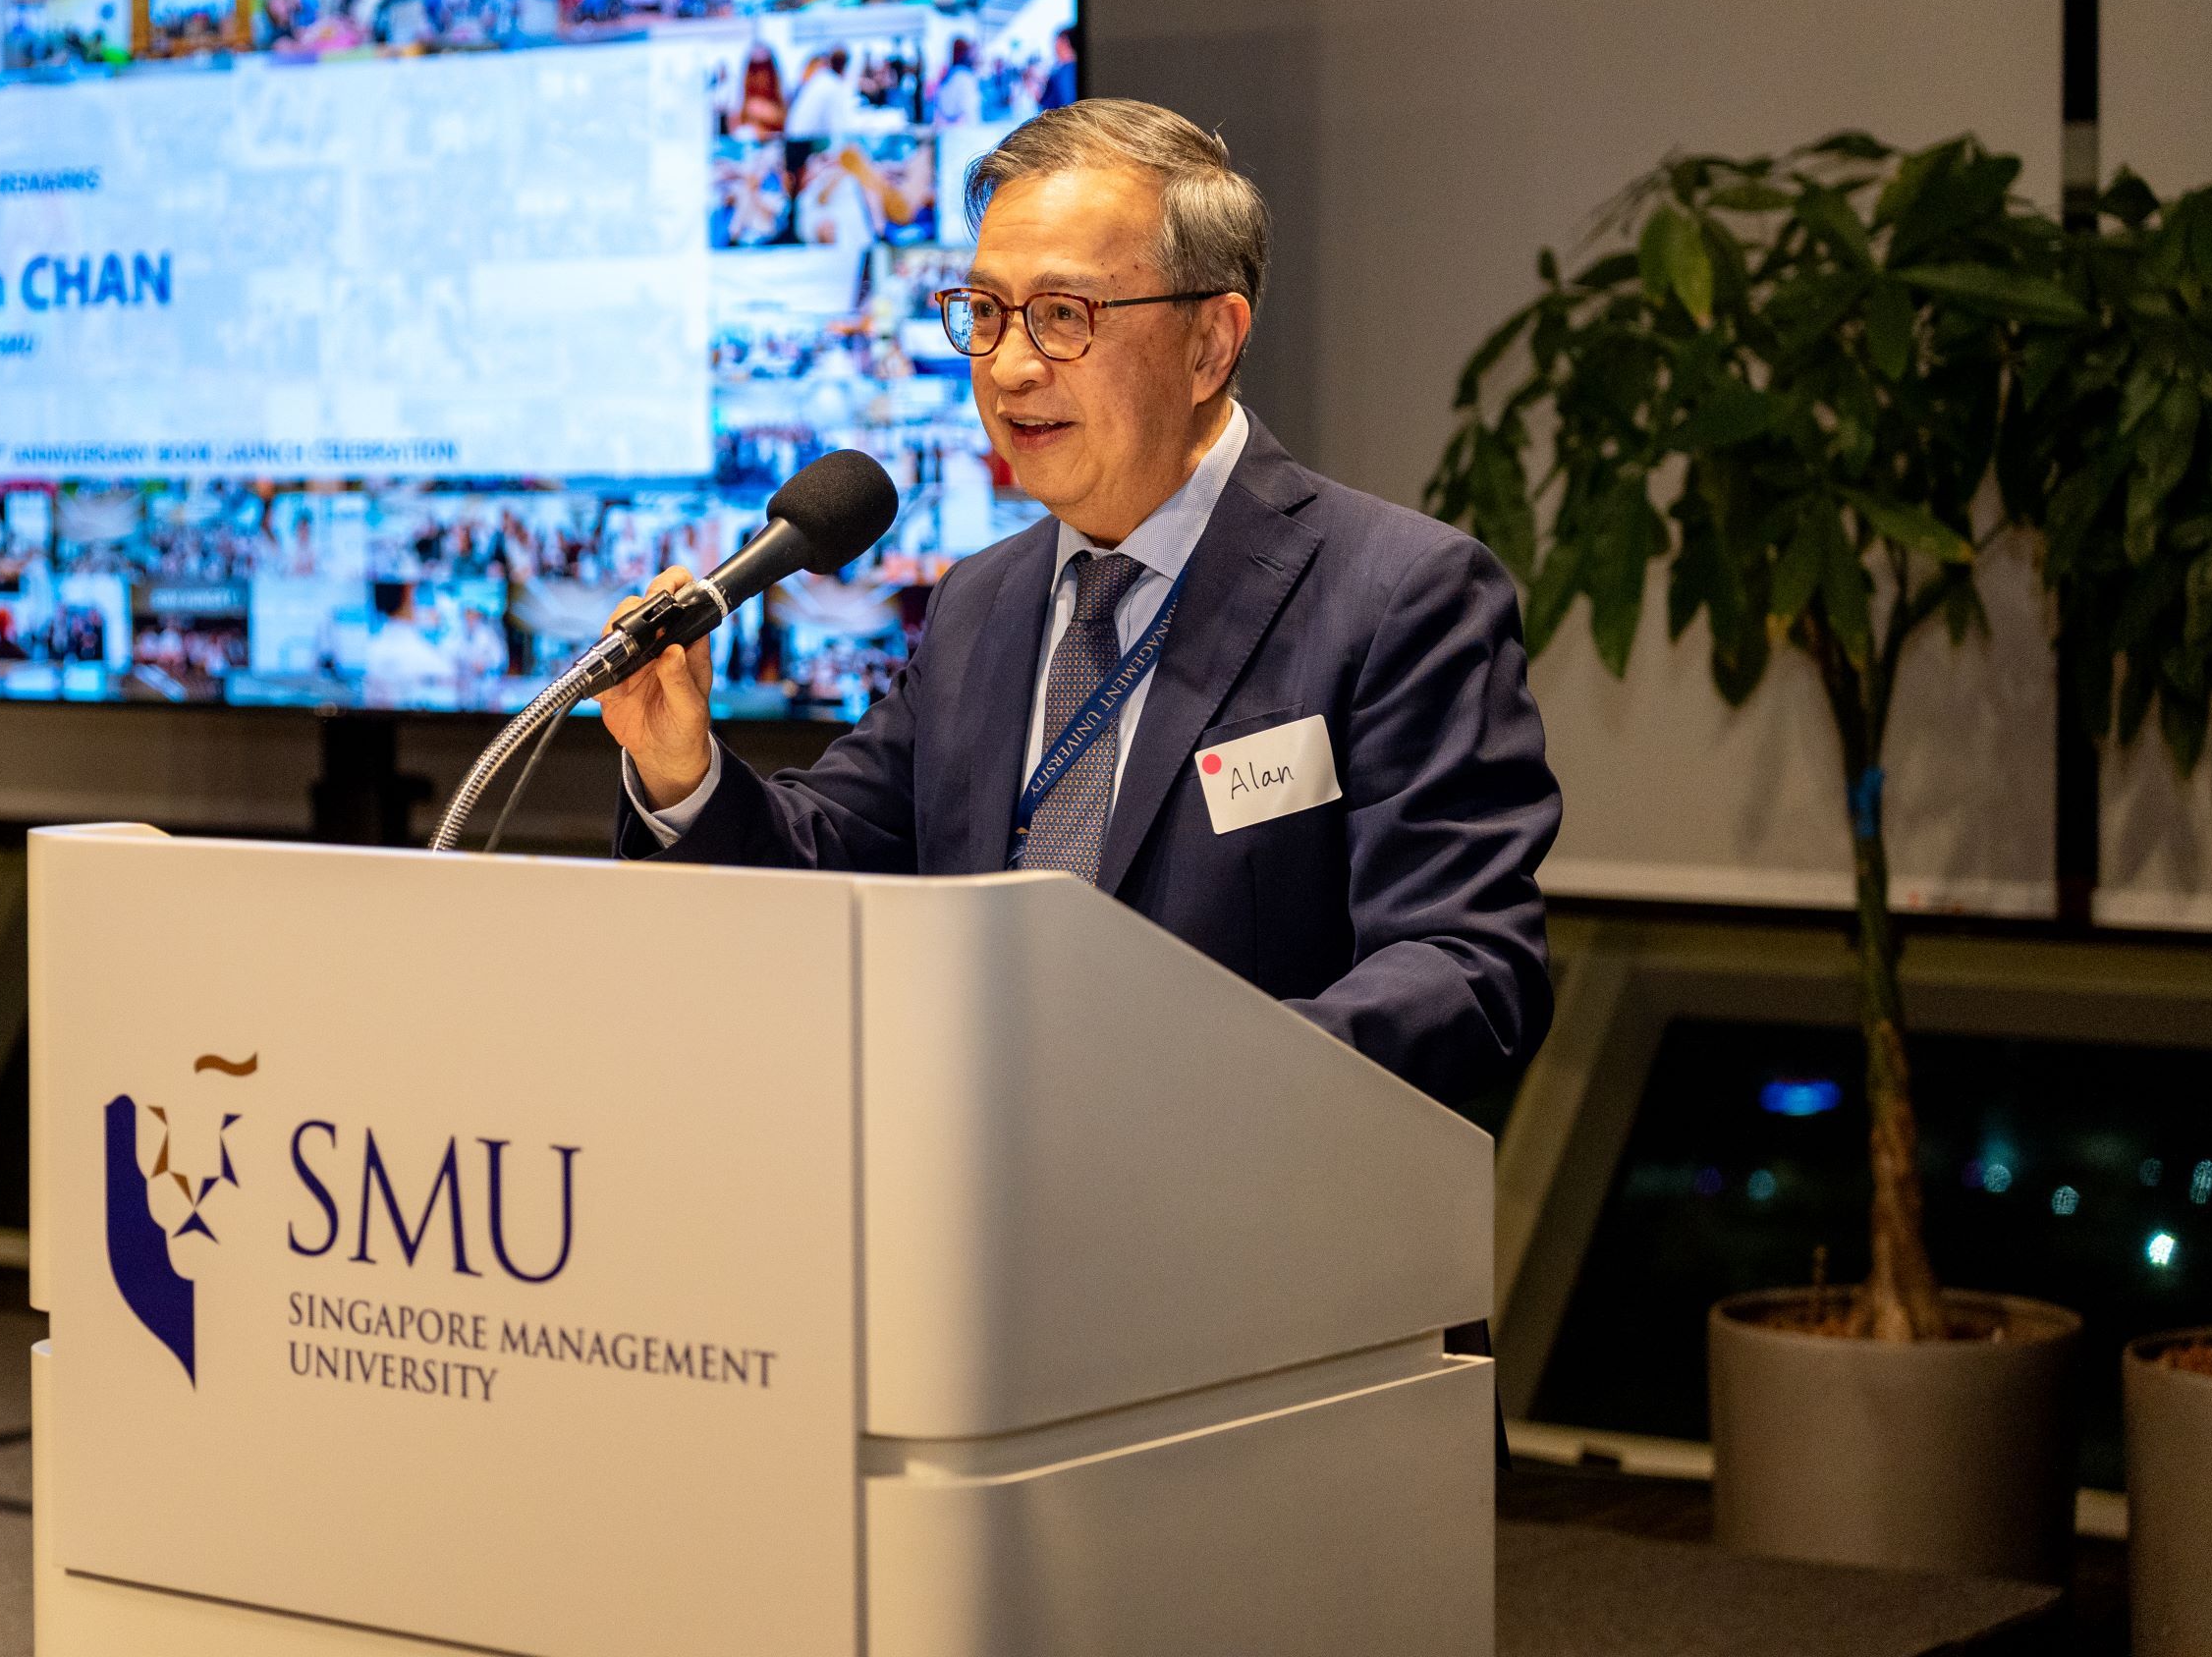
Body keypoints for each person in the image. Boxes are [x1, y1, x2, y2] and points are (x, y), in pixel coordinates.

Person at [596, 98, 1558, 1109]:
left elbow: (1465, 969)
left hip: (1251, 1217)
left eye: (1064, 314)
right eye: (986, 311)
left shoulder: (1398, 595)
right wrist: (680, 767)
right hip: (977, 1212)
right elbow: (834, 867)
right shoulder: (981, 601)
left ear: (1210, 343)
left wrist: (1162, 1089)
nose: (1009, 366)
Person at [1038, 27, 1079, 111]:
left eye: (1057, 41)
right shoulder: (1068, 69)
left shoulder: (1066, 71)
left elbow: (1067, 106)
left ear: (1065, 42)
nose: (1054, 46)